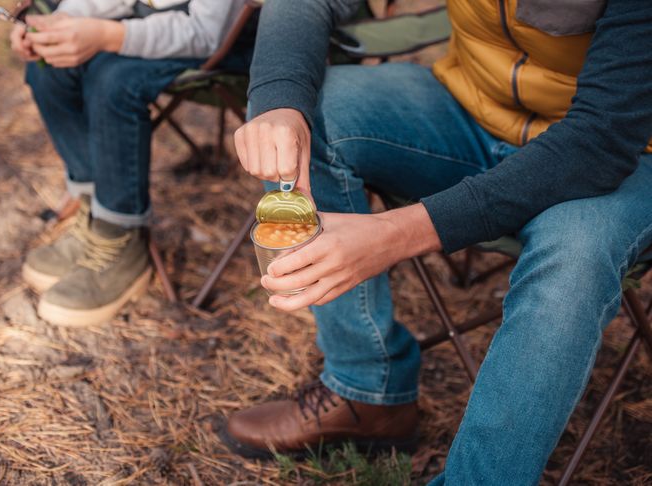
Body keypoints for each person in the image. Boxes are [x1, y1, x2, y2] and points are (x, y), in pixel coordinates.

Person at [219, 0, 652, 484]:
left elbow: (600, 140)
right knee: (308, 119)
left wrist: (393, 234)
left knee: (574, 256)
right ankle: (367, 389)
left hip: (624, 150)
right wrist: (279, 101)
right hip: (472, 107)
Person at [10, 0, 249, 326]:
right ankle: (93, 209)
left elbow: (206, 32)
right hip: (141, 26)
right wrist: (58, 27)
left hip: (232, 38)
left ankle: (119, 236)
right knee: (51, 69)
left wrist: (107, 36)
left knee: (114, 81)